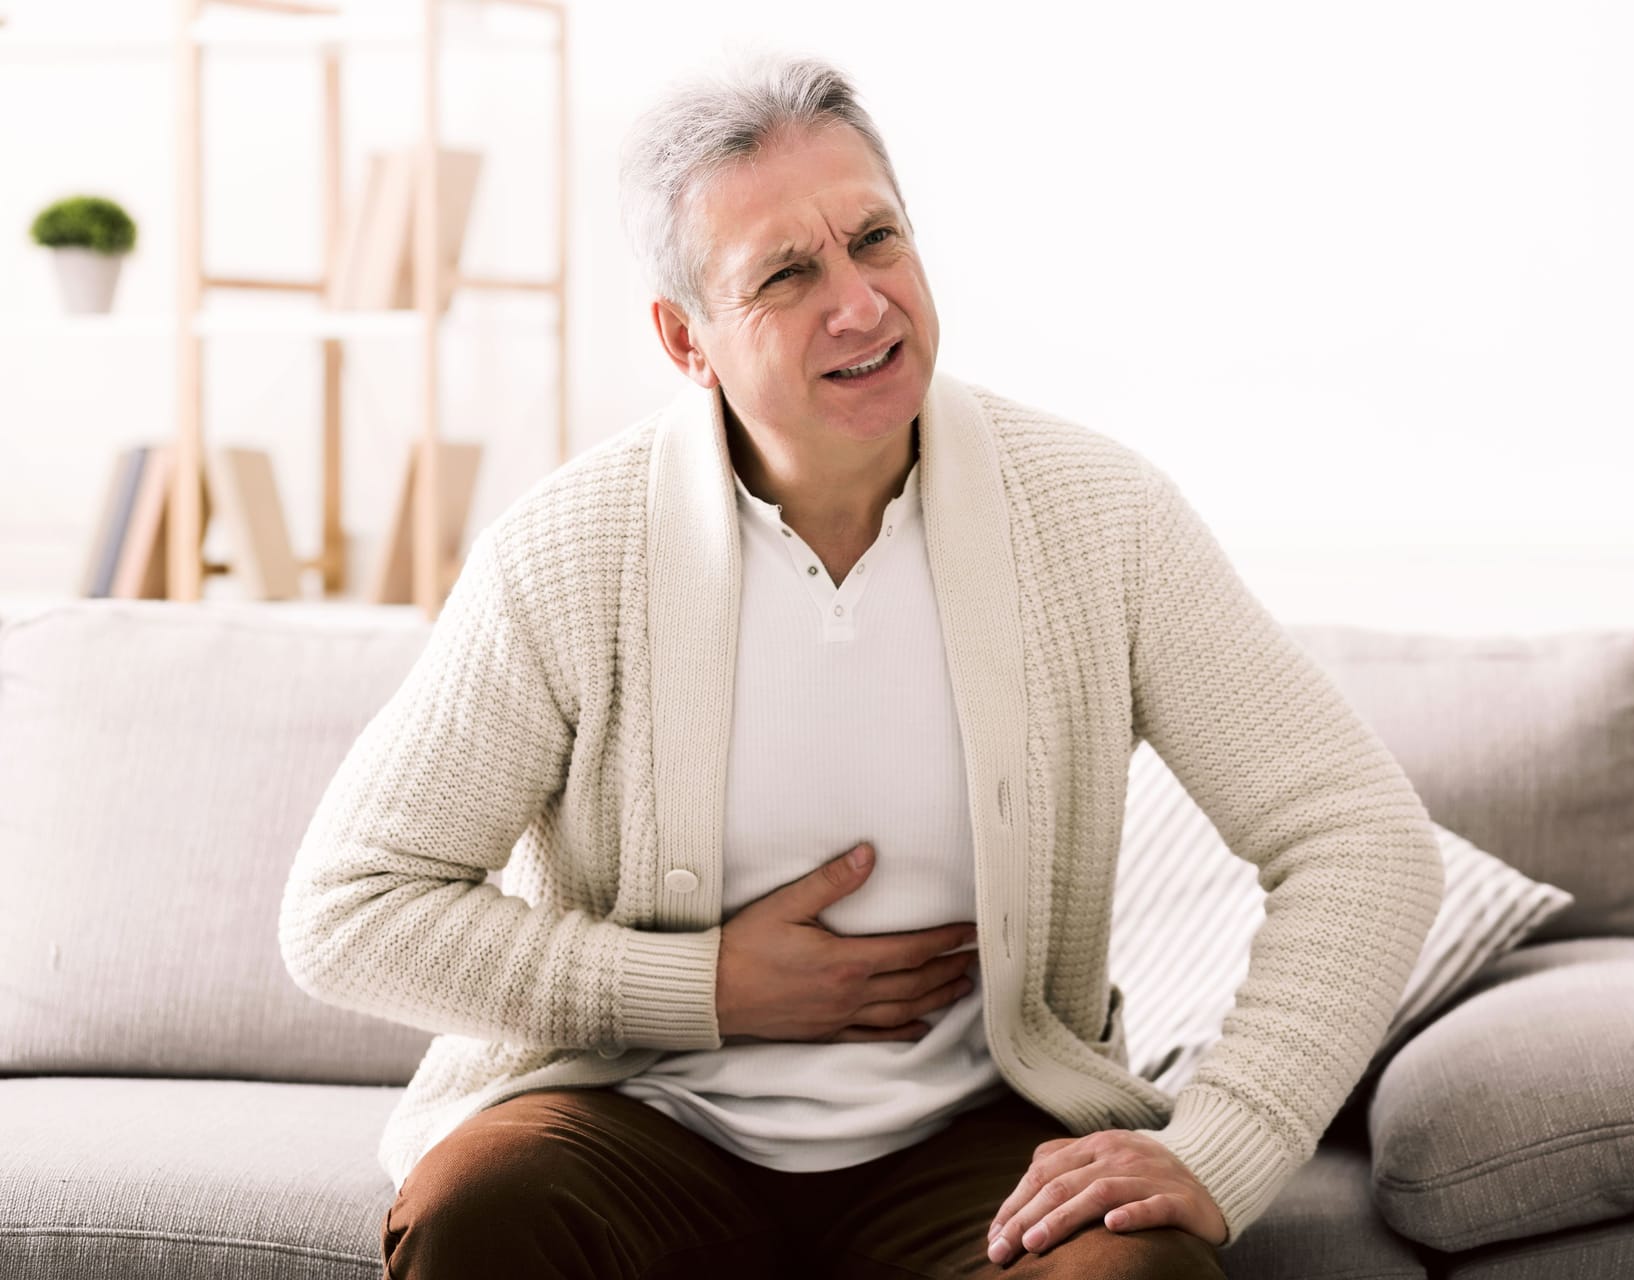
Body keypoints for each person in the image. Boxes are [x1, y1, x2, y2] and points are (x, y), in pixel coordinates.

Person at [277, 50, 1444, 1280]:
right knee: (483, 1209)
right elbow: (347, 907)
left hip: (978, 1143)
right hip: (640, 1113)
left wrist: (1223, 1141)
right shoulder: (568, 554)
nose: (861, 303)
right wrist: (700, 985)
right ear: (687, 340)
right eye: (787, 273)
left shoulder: (1102, 519)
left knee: (1129, 1272)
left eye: (876, 240)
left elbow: (1360, 838)